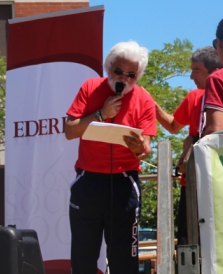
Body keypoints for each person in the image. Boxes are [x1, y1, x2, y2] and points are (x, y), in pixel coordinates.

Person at [65, 41, 156, 274]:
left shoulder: (144, 99)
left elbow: (146, 147)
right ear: (108, 67)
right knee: (83, 260)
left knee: (124, 262)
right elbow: (70, 130)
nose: (124, 79)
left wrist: (139, 148)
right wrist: (100, 114)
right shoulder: (90, 88)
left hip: (124, 183)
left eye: (131, 75)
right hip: (88, 183)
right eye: (119, 71)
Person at [154, 46, 221, 245]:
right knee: (187, 245)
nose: (191, 76)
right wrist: (151, 104)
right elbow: (173, 126)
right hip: (191, 184)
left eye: (196, 70)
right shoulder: (194, 97)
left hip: (218, 183)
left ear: (214, 73)